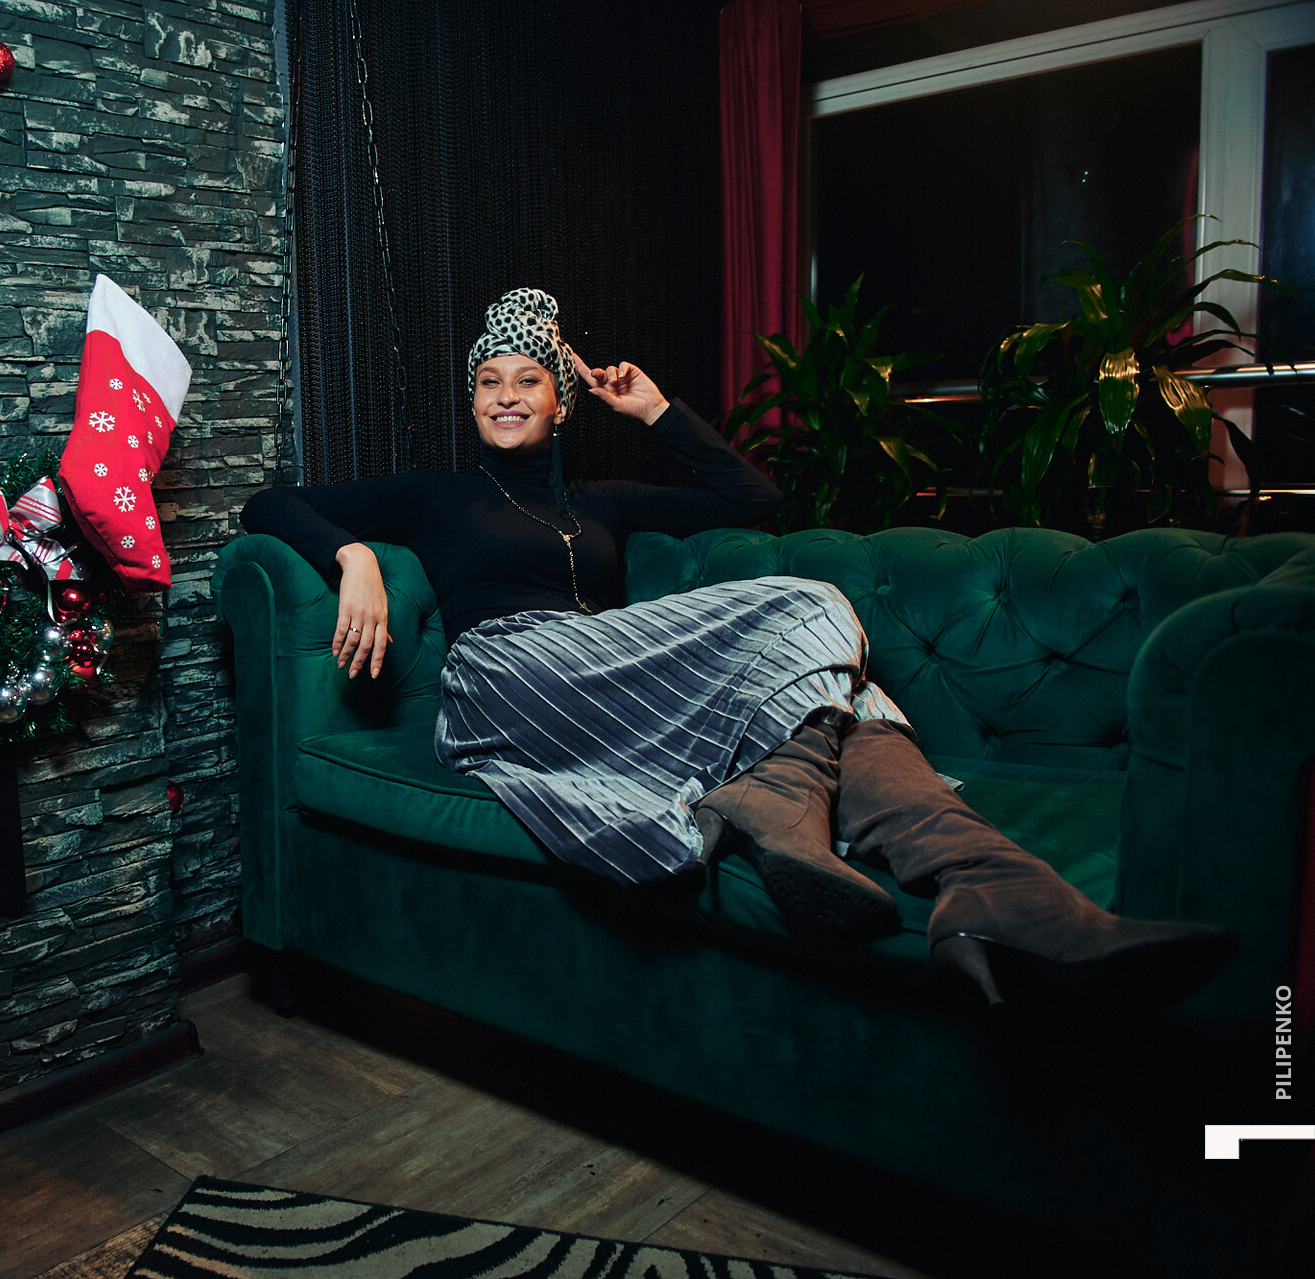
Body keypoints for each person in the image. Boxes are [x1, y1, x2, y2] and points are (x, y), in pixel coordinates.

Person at [241, 288, 1235, 1011]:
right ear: (472, 401)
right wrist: (356, 555)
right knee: (813, 603)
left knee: (852, 702)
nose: (505, 396)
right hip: (508, 677)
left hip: (611, 685)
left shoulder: (601, 501)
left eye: (527, 380)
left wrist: (655, 410)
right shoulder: (435, 493)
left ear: (560, 404)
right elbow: (270, 503)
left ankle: (993, 890)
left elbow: (753, 497)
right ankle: (788, 802)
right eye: (488, 382)